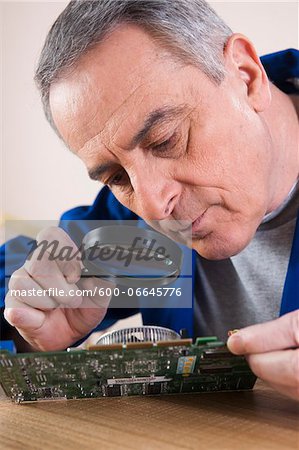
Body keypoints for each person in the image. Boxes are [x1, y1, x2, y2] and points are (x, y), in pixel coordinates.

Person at [1, 0, 298, 399]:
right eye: (117, 177)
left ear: (246, 76)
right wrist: (29, 330)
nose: (154, 206)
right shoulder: (132, 222)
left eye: (166, 140)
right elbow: (17, 273)